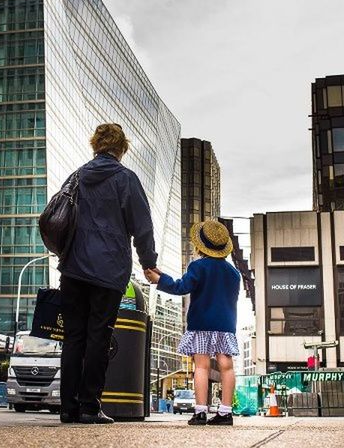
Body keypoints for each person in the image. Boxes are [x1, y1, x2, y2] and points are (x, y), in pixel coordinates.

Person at [57, 124, 158, 425]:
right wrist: (147, 261)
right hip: (108, 269)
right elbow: (142, 225)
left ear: (95, 145)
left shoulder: (76, 176)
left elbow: (59, 214)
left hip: (73, 269)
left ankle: (67, 407)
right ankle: (90, 406)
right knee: (98, 336)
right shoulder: (126, 179)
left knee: (73, 337)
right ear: (121, 148)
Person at [145, 219, 240, 426]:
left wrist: (159, 280)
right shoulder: (234, 273)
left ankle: (200, 412)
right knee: (227, 367)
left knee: (202, 367)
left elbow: (181, 287)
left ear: (200, 246)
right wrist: (163, 276)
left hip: (201, 324)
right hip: (225, 326)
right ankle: (225, 413)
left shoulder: (198, 266)